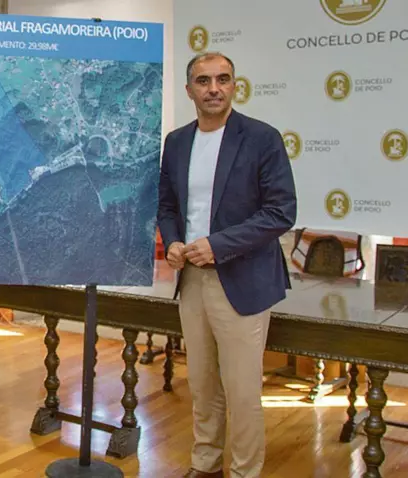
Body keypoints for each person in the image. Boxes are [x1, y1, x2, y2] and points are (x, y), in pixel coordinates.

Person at [156, 52, 297, 478]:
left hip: (243, 280)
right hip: (191, 280)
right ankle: (206, 464)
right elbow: (168, 205)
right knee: (201, 385)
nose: (213, 88)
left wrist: (217, 246)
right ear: (189, 90)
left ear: (235, 85)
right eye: (203, 81)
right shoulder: (177, 142)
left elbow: (280, 212)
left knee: (242, 392)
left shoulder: (262, 138)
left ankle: (244, 472)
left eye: (223, 79)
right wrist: (173, 240)